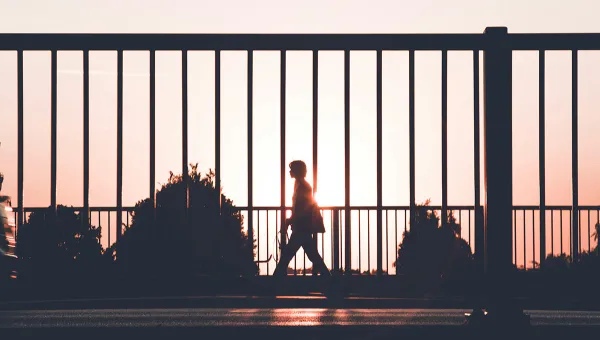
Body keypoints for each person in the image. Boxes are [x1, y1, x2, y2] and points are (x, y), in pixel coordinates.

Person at [273, 160, 331, 277]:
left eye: (292, 169)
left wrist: (290, 220)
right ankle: (327, 277)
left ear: (297, 171)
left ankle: (275, 280)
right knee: (311, 254)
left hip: (301, 226)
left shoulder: (302, 186)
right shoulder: (302, 185)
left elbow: (302, 208)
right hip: (302, 226)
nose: (290, 171)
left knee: (289, 254)